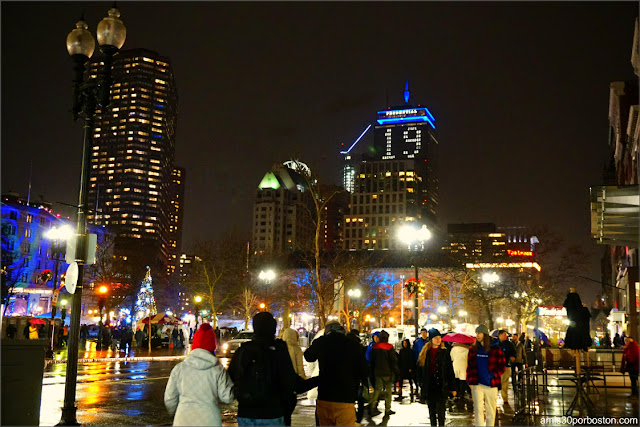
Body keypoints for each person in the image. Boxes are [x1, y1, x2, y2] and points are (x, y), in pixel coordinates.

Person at [228, 312, 297, 426]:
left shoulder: (244, 350)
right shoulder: (279, 351)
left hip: (247, 412)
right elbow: (290, 381)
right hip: (272, 412)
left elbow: (232, 377)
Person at [164, 323, 234, 425]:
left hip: (183, 419)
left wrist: (177, 412)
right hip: (210, 420)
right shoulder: (218, 370)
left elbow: (170, 398)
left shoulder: (179, 369)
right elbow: (227, 397)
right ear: (212, 347)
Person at [304, 321, 368, 426]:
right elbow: (364, 371)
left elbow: (308, 356)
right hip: (346, 398)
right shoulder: (353, 345)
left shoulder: (322, 342)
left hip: (325, 397)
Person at [466, 324, 506, 427]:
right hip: (477, 383)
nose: (477, 335)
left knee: (490, 410)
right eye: (476, 333)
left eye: (479, 333)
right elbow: (469, 366)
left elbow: (502, 366)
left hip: (491, 384)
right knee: (478, 409)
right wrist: (469, 380)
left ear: (485, 334)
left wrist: (492, 375)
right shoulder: (473, 349)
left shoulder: (496, 349)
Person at [417, 329, 456, 426]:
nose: (438, 340)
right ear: (431, 339)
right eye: (436, 338)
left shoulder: (444, 352)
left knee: (441, 411)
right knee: (432, 412)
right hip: (429, 386)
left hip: (441, 385)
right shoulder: (425, 353)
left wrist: (453, 387)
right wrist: (421, 383)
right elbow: (419, 370)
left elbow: (449, 370)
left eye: (439, 338)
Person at [368, 330, 399, 417]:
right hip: (388, 373)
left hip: (377, 372)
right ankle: (387, 409)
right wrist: (395, 372)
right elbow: (393, 360)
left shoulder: (375, 347)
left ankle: (372, 407)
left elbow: (372, 361)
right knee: (388, 392)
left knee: (377, 391)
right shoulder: (389, 347)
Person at [497, 330, 516, 404]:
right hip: (498, 366)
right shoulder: (496, 344)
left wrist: (512, 356)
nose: (506, 336)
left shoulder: (509, 344)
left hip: (506, 365)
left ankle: (505, 397)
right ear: (500, 335)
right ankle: (494, 397)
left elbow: (513, 352)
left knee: (505, 382)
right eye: (504, 334)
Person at [413, 328, 429, 401]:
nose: (423, 334)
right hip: (421, 361)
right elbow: (415, 351)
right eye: (422, 332)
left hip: (428, 361)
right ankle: (423, 391)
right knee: (421, 376)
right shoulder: (418, 342)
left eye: (424, 332)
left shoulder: (429, 341)